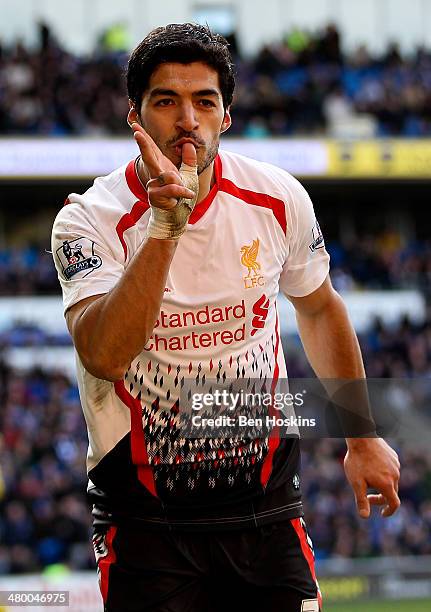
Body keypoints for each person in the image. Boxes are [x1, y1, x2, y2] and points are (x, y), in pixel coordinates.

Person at [51, 23, 400, 612]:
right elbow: (104, 356)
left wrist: (360, 435)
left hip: (264, 506)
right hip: (144, 517)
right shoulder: (89, 221)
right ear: (135, 117)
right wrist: (167, 227)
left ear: (227, 115)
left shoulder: (277, 198)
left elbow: (318, 307)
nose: (187, 119)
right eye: (166, 101)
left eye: (204, 101)